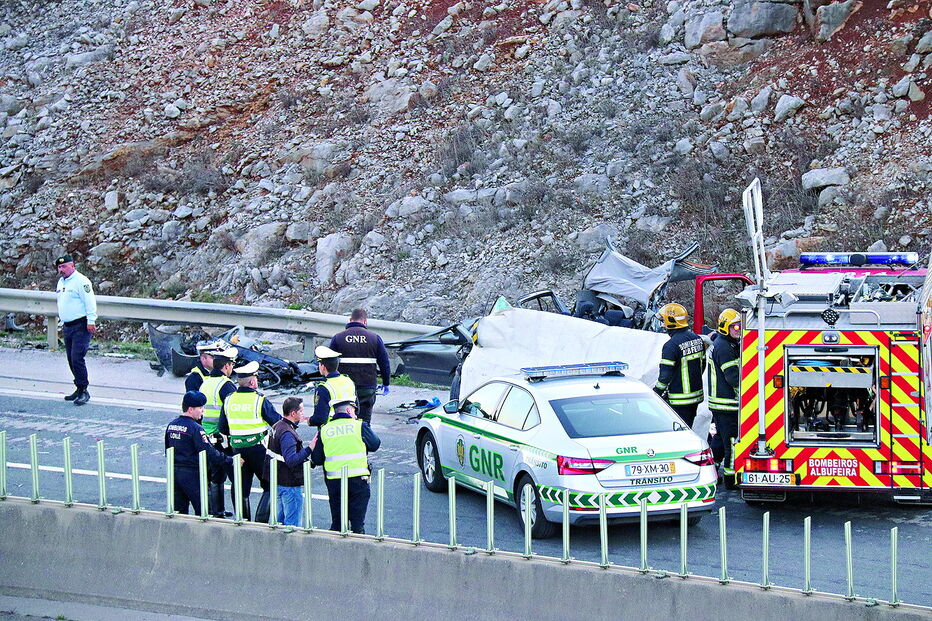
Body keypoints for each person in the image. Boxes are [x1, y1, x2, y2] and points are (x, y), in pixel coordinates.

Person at [218, 360, 281, 522]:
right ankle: (260, 522)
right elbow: (277, 423)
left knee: (240, 487)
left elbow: (223, 429)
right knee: (270, 484)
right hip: (259, 450)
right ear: (253, 381)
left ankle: (243, 521)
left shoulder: (229, 400)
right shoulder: (259, 400)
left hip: (238, 450)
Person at [310, 399, 380, 533]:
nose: (355, 414)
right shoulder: (359, 426)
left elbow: (317, 459)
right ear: (349, 410)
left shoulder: (325, 429)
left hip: (335, 483)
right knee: (357, 525)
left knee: (337, 524)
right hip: (358, 481)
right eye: (354, 411)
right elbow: (375, 444)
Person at [164, 391, 235, 515]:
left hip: (174, 473)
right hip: (193, 474)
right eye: (200, 408)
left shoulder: (172, 425)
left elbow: (167, 449)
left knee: (178, 513)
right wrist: (229, 460)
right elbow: (208, 452)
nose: (203, 411)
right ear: (191, 409)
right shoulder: (196, 428)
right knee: (205, 513)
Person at [328, 309, 391, 424]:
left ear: (350, 320)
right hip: (367, 385)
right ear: (365, 321)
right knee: (364, 421)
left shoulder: (338, 338)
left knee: (344, 420)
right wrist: (386, 383)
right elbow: (384, 363)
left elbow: (329, 362)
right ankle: (364, 440)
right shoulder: (374, 338)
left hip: (343, 387)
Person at [198, 347, 238, 517]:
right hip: (222, 438)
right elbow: (232, 411)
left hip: (207, 436)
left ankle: (217, 511)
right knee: (235, 475)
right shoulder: (225, 385)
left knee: (216, 476)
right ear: (226, 366)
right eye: (231, 366)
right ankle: (241, 514)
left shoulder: (205, 382)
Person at [654, 302, 706, 428]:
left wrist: (655, 394)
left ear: (671, 321)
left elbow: (665, 376)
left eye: (663, 321)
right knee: (689, 428)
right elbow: (702, 366)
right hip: (696, 396)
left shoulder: (670, 346)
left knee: (679, 433)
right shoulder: (697, 339)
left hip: (679, 400)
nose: (663, 325)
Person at [55, 254, 97, 406]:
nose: (61, 269)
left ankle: (84, 390)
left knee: (77, 358)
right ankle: (78, 388)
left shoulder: (81, 281)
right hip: (68, 326)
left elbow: (90, 301)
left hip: (81, 325)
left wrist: (91, 320)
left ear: (72, 266)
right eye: (59, 267)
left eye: (64, 266)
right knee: (70, 359)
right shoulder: (61, 282)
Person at [264, 396, 313, 526]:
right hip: (289, 483)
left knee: (279, 523)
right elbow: (291, 460)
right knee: (292, 526)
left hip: (278, 481)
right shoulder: (287, 433)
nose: (303, 414)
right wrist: (310, 448)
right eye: (301, 411)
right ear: (293, 413)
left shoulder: (277, 426)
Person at [708, 309, 741, 482]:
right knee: (731, 442)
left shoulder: (724, 343)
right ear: (724, 327)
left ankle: (712, 470)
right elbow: (733, 378)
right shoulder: (724, 348)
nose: (738, 329)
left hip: (720, 403)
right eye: (734, 326)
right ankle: (730, 477)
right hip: (727, 404)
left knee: (720, 438)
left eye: (740, 325)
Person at [307, 346, 357, 427]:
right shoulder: (348, 380)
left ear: (323, 367)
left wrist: (310, 421)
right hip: (350, 427)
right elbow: (356, 407)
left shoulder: (324, 387)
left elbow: (320, 418)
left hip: (330, 430)